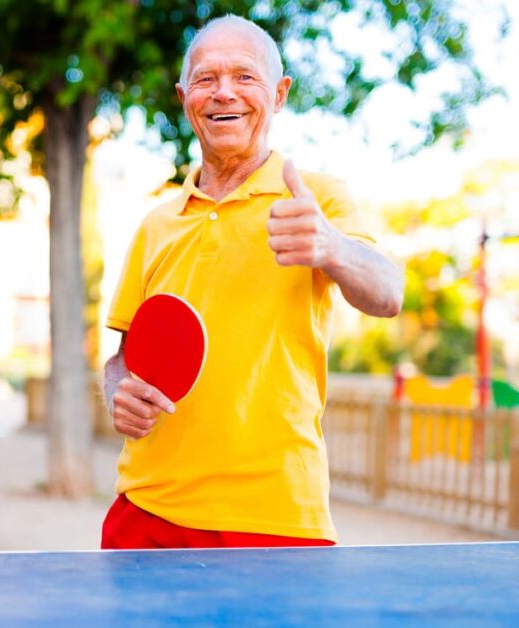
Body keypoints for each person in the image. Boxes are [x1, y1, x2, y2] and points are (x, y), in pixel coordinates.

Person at [101, 15, 403, 550]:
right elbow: (124, 356)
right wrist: (119, 394)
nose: (224, 92)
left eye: (245, 76)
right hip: (146, 509)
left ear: (279, 93)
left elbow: (387, 294)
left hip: (277, 516)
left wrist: (330, 246)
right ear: (184, 96)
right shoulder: (156, 225)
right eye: (206, 78)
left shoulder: (318, 199)